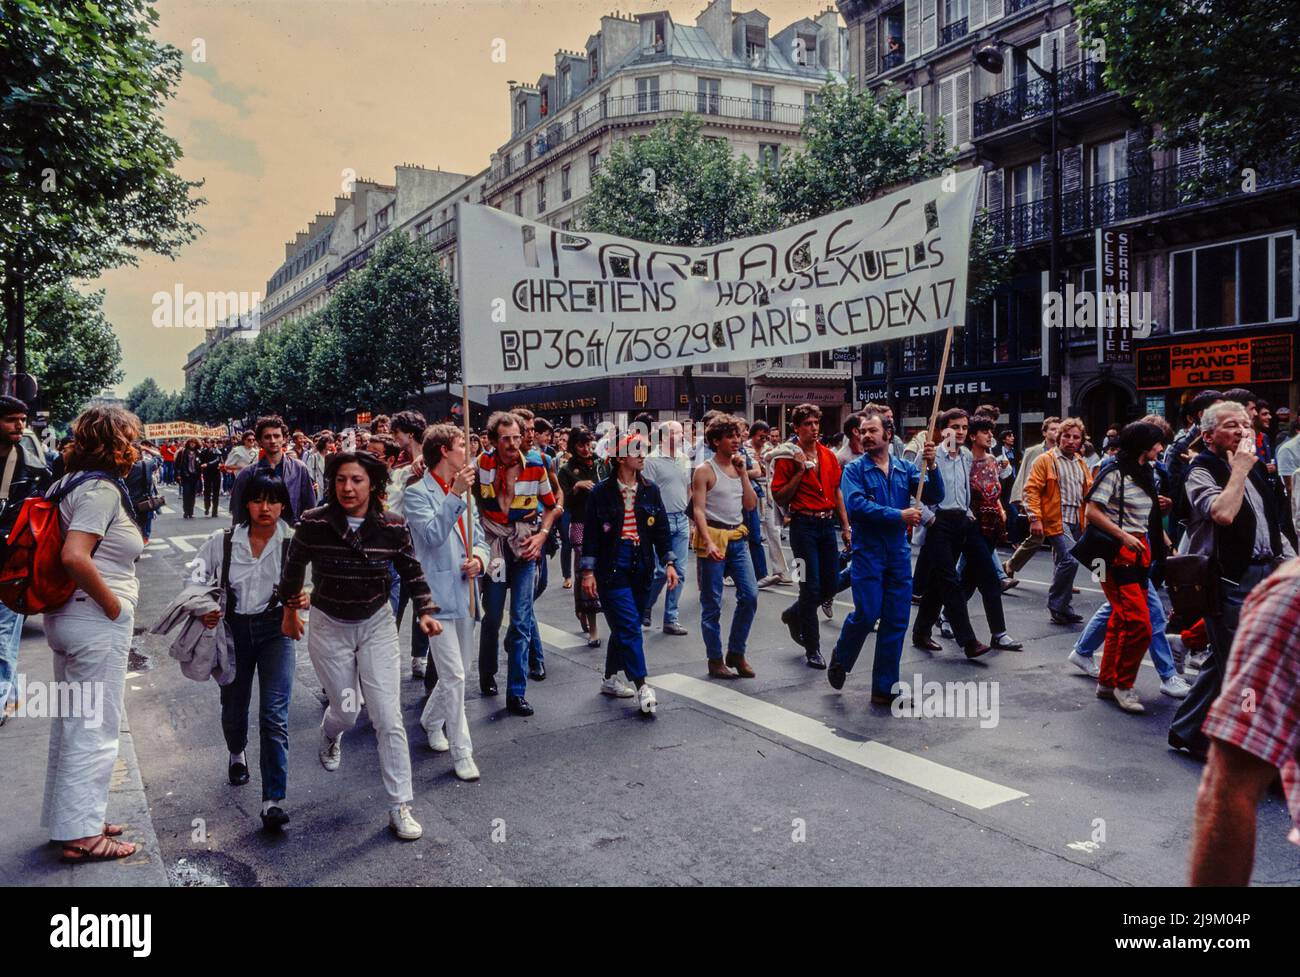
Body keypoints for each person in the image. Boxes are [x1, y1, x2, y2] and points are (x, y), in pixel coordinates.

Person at [279, 450, 440, 840]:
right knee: (348, 713)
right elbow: (293, 567)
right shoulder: (314, 523)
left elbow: (412, 572)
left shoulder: (393, 526)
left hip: (376, 624)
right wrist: (290, 606)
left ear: (373, 485)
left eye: (357, 480)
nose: (348, 488)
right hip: (329, 625)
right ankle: (331, 733)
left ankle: (400, 804)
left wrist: (425, 610)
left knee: (388, 717)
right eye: (340, 480)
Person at [42, 406, 144, 862]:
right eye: (131, 437)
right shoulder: (101, 490)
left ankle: (74, 819)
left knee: (72, 724)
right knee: (96, 726)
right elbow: (75, 556)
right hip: (93, 618)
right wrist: (114, 606)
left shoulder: (68, 482)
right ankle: (84, 835)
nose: (137, 445)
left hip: (67, 616)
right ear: (116, 441)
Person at [1169, 400, 1295, 758]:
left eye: (1245, 424)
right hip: (1228, 582)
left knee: (1223, 661)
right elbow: (1223, 514)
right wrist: (1238, 468)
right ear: (1208, 436)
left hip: (1266, 573)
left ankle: (1187, 730)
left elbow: (1270, 525)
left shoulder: (1253, 469)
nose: (1242, 431)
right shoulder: (1201, 470)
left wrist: (1290, 564)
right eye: (1231, 426)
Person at [189, 472, 302, 830]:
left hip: (276, 631)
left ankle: (273, 800)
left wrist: (306, 596)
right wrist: (204, 605)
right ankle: (236, 753)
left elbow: (319, 582)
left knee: (274, 714)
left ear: (283, 504)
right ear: (246, 504)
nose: (264, 508)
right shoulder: (222, 541)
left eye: (272, 500)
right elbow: (194, 576)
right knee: (234, 707)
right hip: (233, 631)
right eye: (257, 500)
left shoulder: (294, 542)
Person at [1188, 556, 1300, 885]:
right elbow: (1229, 787)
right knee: (1233, 687)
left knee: (1220, 672)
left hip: (1258, 589)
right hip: (1234, 584)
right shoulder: (1291, 599)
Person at [828, 413, 940, 703]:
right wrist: (898, 515)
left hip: (898, 554)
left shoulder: (905, 468)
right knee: (867, 613)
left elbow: (934, 493)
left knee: (896, 619)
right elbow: (856, 506)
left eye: (872, 430)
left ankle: (884, 688)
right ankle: (842, 654)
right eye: (862, 431)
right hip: (868, 553)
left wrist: (933, 464)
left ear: (888, 435)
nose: (865, 435)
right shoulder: (854, 470)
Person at [403, 424, 489, 782]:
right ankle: (462, 751)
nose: (467, 453)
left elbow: (480, 537)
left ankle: (430, 720)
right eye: (460, 447)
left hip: (466, 590)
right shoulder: (416, 494)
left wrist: (480, 560)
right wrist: (454, 495)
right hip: (434, 596)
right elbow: (433, 536)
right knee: (453, 674)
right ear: (443, 452)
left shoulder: (465, 492)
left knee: (461, 672)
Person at [579, 434, 679, 715]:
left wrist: (669, 563)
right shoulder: (601, 492)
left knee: (626, 625)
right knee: (630, 627)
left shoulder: (650, 490)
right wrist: (587, 571)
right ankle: (643, 685)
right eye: (636, 450)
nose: (642, 455)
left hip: (642, 564)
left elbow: (661, 530)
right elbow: (591, 536)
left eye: (644, 450)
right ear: (620, 458)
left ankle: (610, 679)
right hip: (612, 565)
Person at [472, 411, 560, 716]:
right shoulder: (481, 464)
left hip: (524, 547)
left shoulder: (536, 465)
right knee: (493, 616)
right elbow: (453, 479)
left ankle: (517, 693)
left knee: (522, 620)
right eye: (505, 438)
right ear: (493, 440)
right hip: (495, 546)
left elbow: (551, 506)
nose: (512, 444)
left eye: (516, 437)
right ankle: (487, 674)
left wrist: (541, 536)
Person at [912, 408, 1014, 658]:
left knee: (949, 581)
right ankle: (968, 641)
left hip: (963, 521)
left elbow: (965, 490)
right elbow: (912, 491)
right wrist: (930, 518)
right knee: (949, 581)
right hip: (939, 523)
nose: (959, 432)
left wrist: (968, 513)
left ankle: (922, 631)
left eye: (963, 428)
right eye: (954, 427)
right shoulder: (929, 455)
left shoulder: (966, 455)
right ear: (943, 429)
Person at [1081, 421, 1167, 713]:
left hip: (1136, 552)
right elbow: (1091, 511)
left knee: (1121, 618)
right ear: (1143, 445)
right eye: (1157, 442)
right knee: (1140, 624)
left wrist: (1162, 537)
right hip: (1111, 555)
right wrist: (1123, 536)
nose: (1161, 447)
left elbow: (1143, 516)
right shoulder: (1113, 471)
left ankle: (1107, 682)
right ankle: (1124, 685)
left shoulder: (1146, 471)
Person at [770, 403, 850, 670]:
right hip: (802, 527)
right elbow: (779, 496)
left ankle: (794, 614)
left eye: (816, 423)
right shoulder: (786, 458)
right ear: (796, 428)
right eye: (808, 424)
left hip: (827, 528)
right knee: (809, 586)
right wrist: (801, 470)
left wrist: (846, 526)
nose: (814, 428)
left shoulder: (828, 455)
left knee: (829, 586)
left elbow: (837, 491)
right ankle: (813, 648)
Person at [692, 414, 759, 679]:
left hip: (738, 538)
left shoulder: (739, 466)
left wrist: (743, 474)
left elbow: (751, 504)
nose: (736, 440)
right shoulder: (704, 471)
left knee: (750, 595)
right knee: (712, 604)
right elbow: (697, 510)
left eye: (738, 435)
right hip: (714, 537)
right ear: (716, 440)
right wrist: (707, 542)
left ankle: (736, 652)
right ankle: (715, 659)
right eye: (730, 436)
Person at [0, 395, 53, 724]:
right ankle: (10, 693)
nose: (20, 425)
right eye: (11, 420)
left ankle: (3, 693)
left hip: (12, 557)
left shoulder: (30, 459)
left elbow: (47, 499)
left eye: (23, 419)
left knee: (5, 629)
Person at [1022, 417, 1091, 625]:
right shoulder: (1045, 460)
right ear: (1059, 437)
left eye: (1076, 437)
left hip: (1078, 519)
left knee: (1066, 561)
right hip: (1056, 518)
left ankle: (1064, 606)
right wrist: (1035, 518)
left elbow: (1089, 490)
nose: (1071, 441)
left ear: (1081, 441)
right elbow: (1031, 490)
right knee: (1070, 559)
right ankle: (1057, 605)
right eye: (1067, 436)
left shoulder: (1080, 462)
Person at [642, 419, 692, 634]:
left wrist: (690, 518)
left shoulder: (683, 459)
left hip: (681, 519)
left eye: (681, 433)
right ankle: (645, 605)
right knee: (661, 571)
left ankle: (671, 618)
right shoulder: (651, 460)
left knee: (679, 571)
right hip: (660, 522)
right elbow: (648, 494)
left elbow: (688, 488)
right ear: (663, 436)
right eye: (675, 433)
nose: (680, 437)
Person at [557, 426, 603, 647]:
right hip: (580, 523)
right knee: (585, 571)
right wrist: (576, 487)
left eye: (589, 444)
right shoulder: (565, 470)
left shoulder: (603, 463)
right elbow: (562, 501)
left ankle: (587, 608)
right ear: (573, 446)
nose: (586, 449)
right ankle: (589, 619)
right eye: (581, 445)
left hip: (604, 525)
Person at [230, 415, 316, 525]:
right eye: (267, 437)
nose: (272, 440)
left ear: (284, 439)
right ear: (259, 441)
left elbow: (309, 507)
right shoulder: (246, 474)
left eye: (276, 436)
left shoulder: (299, 469)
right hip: (258, 534)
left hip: (291, 532)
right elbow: (238, 512)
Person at [1004, 416, 1060, 574]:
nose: (1057, 433)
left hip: (1057, 502)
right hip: (1037, 502)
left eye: (1059, 429)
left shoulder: (1064, 452)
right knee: (1037, 537)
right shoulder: (1033, 451)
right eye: (1053, 429)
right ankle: (1010, 565)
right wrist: (1021, 502)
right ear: (1044, 432)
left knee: (1060, 541)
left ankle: (1062, 578)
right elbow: (1024, 477)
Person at [746, 420, 790, 584]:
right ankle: (745, 571)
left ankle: (779, 571)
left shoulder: (771, 449)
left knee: (774, 531)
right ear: (753, 435)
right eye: (761, 437)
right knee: (750, 534)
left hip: (768, 492)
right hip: (750, 491)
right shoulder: (744, 448)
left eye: (766, 437)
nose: (764, 440)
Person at [199, 437, 223, 517]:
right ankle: (207, 507)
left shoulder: (217, 451)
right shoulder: (203, 452)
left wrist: (207, 464)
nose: (209, 444)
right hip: (207, 474)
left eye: (210, 442)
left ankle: (215, 510)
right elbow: (200, 461)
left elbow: (217, 460)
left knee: (216, 493)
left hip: (215, 473)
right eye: (207, 442)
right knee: (207, 492)